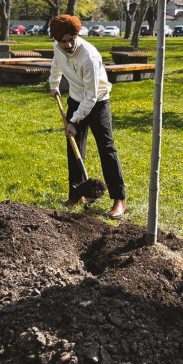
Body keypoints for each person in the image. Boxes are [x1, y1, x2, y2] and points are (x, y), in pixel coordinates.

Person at [48, 15, 127, 219]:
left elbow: (91, 97)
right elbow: (56, 64)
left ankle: (119, 199)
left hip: (98, 101)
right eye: (63, 41)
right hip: (75, 98)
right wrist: (54, 85)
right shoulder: (59, 48)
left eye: (71, 39)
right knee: (74, 147)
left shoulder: (89, 57)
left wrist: (74, 120)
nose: (68, 45)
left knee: (106, 148)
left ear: (77, 34)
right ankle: (76, 194)